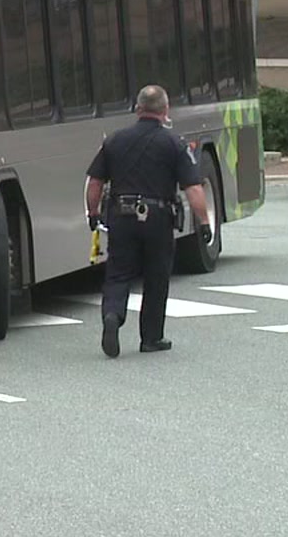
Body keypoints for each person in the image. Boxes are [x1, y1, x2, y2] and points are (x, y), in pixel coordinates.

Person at [84, 85, 212, 358]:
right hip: (158, 218)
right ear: (165, 110)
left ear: (137, 109)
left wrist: (93, 213)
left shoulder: (114, 141)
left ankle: (112, 315)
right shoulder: (174, 144)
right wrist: (203, 222)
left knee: (118, 272)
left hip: (121, 215)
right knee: (156, 276)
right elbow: (193, 188)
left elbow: (95, 181)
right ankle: (151, 338)